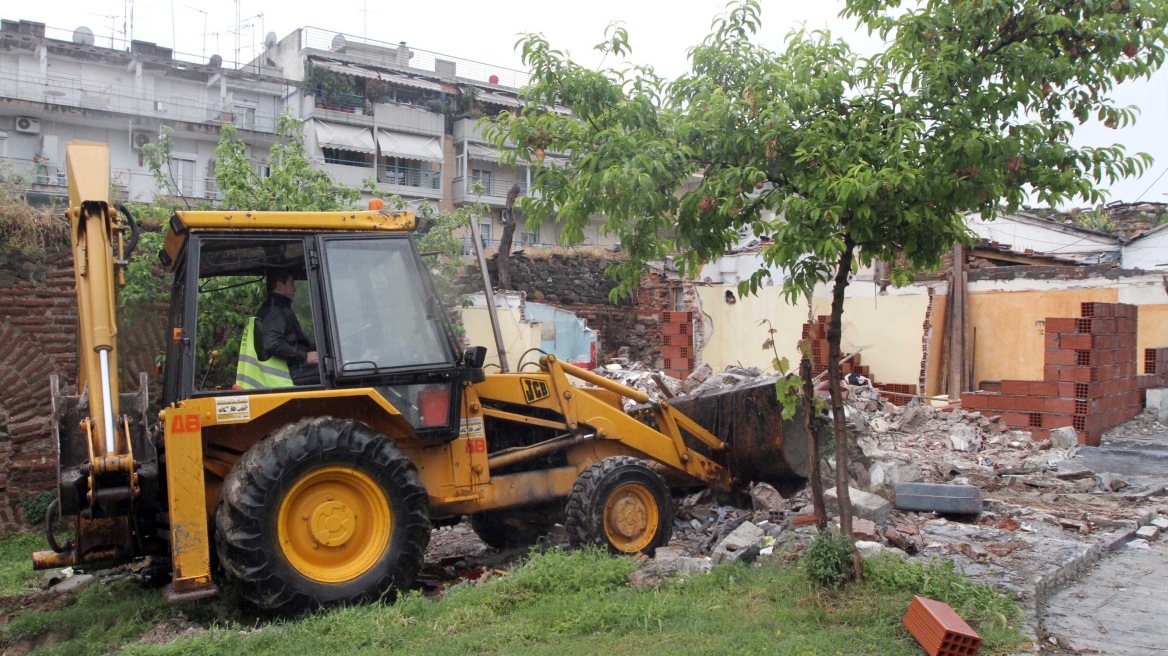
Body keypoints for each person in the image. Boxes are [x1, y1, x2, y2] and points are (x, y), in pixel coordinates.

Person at [258, 271, 319, 385]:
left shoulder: (275, 308)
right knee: (329, 373)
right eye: (291, 283)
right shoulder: (274, 311)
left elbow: (293, 342)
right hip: (289, 372)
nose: (295, 289)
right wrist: (305, 357)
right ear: (280, 286)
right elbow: (273, 343)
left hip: (289, 369)